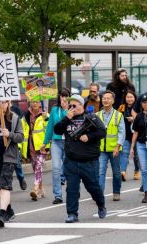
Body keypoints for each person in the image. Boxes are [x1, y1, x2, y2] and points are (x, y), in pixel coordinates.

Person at [54, 95, 107, 223]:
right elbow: (57, 130)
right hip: (71, 161)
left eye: (75, 105)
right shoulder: (67, 119)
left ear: (81, 105)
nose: (72, 108)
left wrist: (89, 136)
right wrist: (67, 118)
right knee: (71, 189)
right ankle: (72, 214)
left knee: (93, 187)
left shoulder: (91, 117)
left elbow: (102, 132)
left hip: (89, 161)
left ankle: (101, 205)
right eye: (70, 105)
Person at [41, 88, 71, 204]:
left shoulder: (72, 110)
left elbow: (69, 122)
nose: (64, 98)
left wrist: (66, 110)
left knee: (69, 167)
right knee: (56, 168)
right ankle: (58, 195)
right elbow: (50, 127)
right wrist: (45, 142)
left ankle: (72, 190)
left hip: (69, 143)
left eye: (66, 96)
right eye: (62, 96)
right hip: (56, 142)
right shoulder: (54, 110)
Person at [97, 91, 125, 201]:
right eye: (104, 98)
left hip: (115, 149)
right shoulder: (97, 115)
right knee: (100, 172)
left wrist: (118, 146)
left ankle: (116, 192)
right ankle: (99, 195)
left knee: (116, 172)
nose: (106, 100)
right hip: (101, 149)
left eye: (108, 98)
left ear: (113, 101)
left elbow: (122, 132)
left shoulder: (118, 115)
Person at [20, 100, 49, 201]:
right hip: (30, 146)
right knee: (36, 168)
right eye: (32, 102)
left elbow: (50, 129)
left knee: (38, 166)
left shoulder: (45, 115)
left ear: (40, 104)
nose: (34, 104)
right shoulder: (26, 116)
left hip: (42, 146)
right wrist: (20, 147)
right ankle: (41, 190)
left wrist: (47, 119)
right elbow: (21, 131)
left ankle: (35, 188)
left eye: (37, 102)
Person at [117, 90, 141, 181]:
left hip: (137, 135)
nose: (129, 99)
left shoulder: (139, 107)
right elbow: (117, 118)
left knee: (137, 155)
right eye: (128, 97)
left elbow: (142, 118)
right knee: (124, 153)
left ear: (135, 98)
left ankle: (136, 171)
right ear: (125, 98)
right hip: (125, 134)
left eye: (131, 97)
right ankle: (123, 172)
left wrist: (134, 119)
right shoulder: (122, 107)